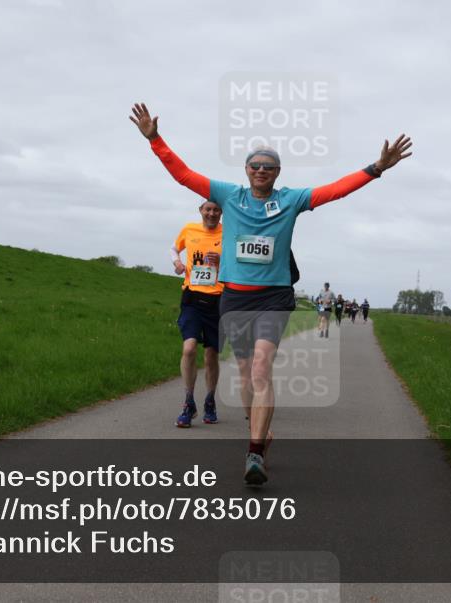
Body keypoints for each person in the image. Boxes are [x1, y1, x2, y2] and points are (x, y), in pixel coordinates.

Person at [130, 102, 412, 485]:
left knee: (261, 367)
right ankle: (259, 431)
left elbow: (334, 191)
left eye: (268, 166)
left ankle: (255, 452)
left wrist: (376, 168)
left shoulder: (291, 200)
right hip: (235, 297)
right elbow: (183, 175)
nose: (261, 170)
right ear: (246, 170)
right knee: (246, 374)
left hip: (274, 297)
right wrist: (155, 139)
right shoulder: (229, 196)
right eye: (255, 165)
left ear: (278, 173)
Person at [171, 200, 224, 427]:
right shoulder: (189, 229)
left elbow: (239, 264)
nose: (211, 213)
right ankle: (188, 402)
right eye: (208, 209)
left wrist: (222, 261)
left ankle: (210, 400)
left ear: (221, 212)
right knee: (189, 348)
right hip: (192, 297)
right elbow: (174, 248)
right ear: (201, 211)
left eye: (216, 210)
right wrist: (177, 262)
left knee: (211, 355)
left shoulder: (229, 234)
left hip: (219, 300)